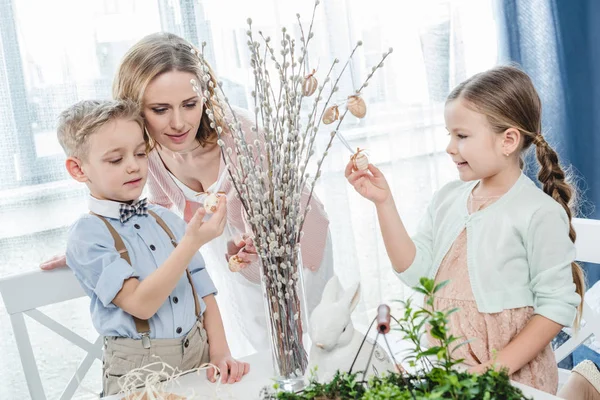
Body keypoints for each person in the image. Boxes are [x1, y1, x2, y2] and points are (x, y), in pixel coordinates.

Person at [42, 32, 334, 355]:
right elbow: (151, 212)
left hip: (294, 241)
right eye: (160, 109)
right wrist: (91, 244)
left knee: (317, 339)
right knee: (262, 346)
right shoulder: (145, 153)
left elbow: (279, 211)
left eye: (190, 104)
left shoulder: (243, 136)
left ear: (205, 99)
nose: (179, 123)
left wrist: (255, 239)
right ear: (136, 108)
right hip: (234, 253)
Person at [345, 65, 584, 393]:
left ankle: (582, 386)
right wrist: (383, 203)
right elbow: (414, 271)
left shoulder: (537, 213)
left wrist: (490, 372)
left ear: (508, 140)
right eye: (449, 135)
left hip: (510, 381)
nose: (449, 147)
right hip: (451, 374)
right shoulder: (448, 199)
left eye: (461, 136)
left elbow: (555, 308)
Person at [57, 99, 248, 396]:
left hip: (199, 356)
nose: (133, 166)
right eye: (115, 160)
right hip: (139, 370)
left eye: (140, 153)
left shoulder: (165, 218)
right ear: (78, 169)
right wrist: (191, 242)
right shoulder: (87, 235)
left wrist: (220, 351)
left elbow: (203, 288)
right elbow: (140, 305)